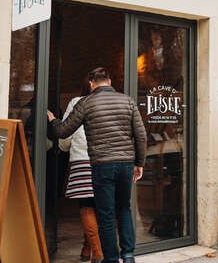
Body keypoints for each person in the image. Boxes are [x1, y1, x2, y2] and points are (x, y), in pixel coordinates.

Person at [47, 67, 147, 263]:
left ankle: (110, 259)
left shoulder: (86, 102)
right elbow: (141, 135)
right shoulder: (127, 100)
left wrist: (53, 121)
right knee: (124, 209)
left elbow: (63, 131)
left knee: (106, 213)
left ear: (92, 84)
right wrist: (139, 163)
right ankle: (128, 256)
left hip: (102, 165)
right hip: (126, 164)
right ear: (109, 82)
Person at [58, 78, 103, 263]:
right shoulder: (109, 103)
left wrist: (63, 146)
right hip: (105, 161)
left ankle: (98, 255)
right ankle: (87, 249)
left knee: (86, 205)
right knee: (101, 207)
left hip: (82, 160)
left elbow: (66, 132)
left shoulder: (77, 102)